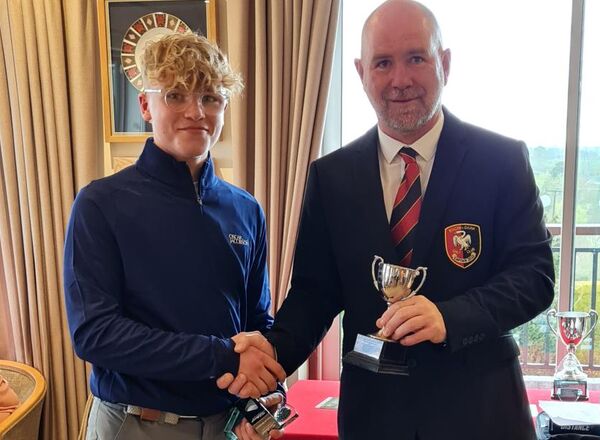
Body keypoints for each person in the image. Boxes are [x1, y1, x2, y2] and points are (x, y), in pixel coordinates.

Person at [221, 1, 555, 439]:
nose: (400, 79)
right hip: (374, 417)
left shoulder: (501, 161)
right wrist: (270, 355)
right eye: (383, 63)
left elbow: (534, 277)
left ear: (445, 63)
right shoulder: (331, 176)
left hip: (481, 412)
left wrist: (449, 317)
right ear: (361, 72)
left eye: (416, 58)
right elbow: (314, 295)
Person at [63, 33, 285, 440]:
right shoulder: (100, 204)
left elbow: (257, 323)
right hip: (135, 424)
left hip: (226, 426)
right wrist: (221, 357)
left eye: (210, 97)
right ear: (146, 105)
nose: (195, 112)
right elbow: (96, 335)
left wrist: (265, 396)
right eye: (176, 95)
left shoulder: (246, 210)